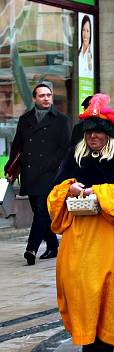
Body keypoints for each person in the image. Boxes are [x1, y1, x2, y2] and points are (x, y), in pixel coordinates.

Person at [47, 94, 114, 352]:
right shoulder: (74, 155)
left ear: (108, 135)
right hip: (79, 234)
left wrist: (99, 193)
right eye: (89, 132)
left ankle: (104, 344)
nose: (93, 137)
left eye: (98, 133)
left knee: (108, 288)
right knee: (77, 285)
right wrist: (70, 187)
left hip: (111, 237)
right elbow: (56, 192)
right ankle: (87, 338)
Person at [6, 83, 70, 265]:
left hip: (50, 173)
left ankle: (31, 248)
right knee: (40, 212)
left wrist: (53, 166)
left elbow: (64, 147)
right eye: (42, 95)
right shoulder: (25, 119)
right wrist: (10, 168)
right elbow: (17, 145)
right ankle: (52, 245)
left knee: (42, 210)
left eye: (49, 95)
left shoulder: (61, 120)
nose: (46, 98)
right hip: (30, 172)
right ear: (35, 98)